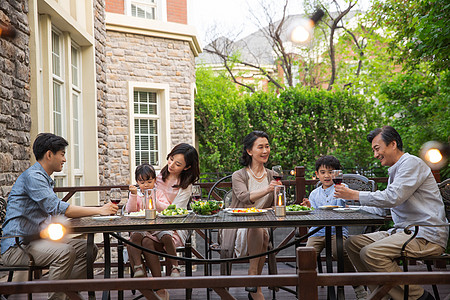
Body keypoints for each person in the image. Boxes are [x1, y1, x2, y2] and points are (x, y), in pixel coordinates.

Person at [335, 126, 449, 300]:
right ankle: (381, 295)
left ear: (393, 144)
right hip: (404, 232)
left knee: (371, 252)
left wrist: (355, 194)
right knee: (352, 243)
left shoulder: (412, 163)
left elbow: (392, 197)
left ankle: (418, 296)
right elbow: (383, 207)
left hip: (425, 234)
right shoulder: (396, 170)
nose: (375, 155)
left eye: (377, 148)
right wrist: (349, 207)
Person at [1, 133, 117, 300]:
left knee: (88, 249)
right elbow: (57, 208)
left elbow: (56, 210)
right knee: (64, 252)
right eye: (62, 154)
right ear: (49, 154)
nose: (64, 159)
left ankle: (67, 294)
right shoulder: (33, 177)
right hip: (17, 245)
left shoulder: (43, 177)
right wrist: (99, 210)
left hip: (36, 240)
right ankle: (58, 297)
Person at [222, 131, 281, 300]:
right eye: (260, 147)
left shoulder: (271, 175)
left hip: (262, 228)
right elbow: (244, 197)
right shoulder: (239, 175)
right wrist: (268, 189)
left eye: (267, 146)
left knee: (260, 228)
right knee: (258, 227)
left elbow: (276, 207)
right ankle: (254, 279)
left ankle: (253, 280)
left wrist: (279, 195)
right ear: (249, 151)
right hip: (238, 227)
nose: (265, 151)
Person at [137, 143, 199, 300]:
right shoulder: (155, 177)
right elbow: (141, 199)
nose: (171, 165)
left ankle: (157, 287)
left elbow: (174, 212)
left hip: (174, 228)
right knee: (145, 241)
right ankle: (159, 288)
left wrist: (153, 200)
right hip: (150, 224)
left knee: (150, 241)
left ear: (186, 167)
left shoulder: (185, 186)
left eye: (177, 164)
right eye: (171, 159)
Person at [301, 155, 368, 300]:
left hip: (336, 231)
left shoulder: (342, 189)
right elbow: (313, 214)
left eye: (331, 172)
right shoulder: (314, 193)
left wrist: (346, 195)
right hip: (316, 232)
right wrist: (309, 207)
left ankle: (358, 287)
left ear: (338, 174)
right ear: (317, 174)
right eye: (323, 172)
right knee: (306, 255)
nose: (327, 176)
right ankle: (307, 290)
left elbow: (349, 202)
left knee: (340, 252)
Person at [125, 163, 176, 279]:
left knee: (167, 236)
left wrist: (155, 201)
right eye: (142, 183)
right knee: (134, 238)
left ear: (154, 180)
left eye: (149, 181)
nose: (146, 185)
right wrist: (133, 196)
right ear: (137, 183)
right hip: (142, 228)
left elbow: (167, 208)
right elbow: (130, 210)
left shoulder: (158, 193)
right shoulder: (136, 195)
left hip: (157, 228)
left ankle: (175, 267)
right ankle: (138, 267)